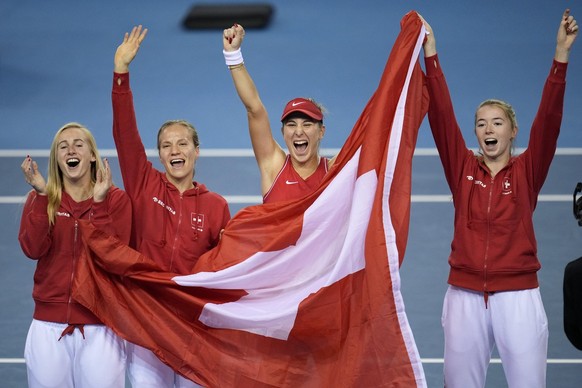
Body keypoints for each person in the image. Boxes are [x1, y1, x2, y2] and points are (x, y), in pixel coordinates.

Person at [420, 9, 578, 387]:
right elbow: (441, 116)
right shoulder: (462, 169)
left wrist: (561, 57)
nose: (487, 128)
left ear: (512, 132)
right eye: (480, 122)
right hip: (464, 296)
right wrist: (431, 54)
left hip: (518, 297)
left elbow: (550, 121)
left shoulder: (527, 170)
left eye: (497, 122)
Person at [113, 26, 231, 387]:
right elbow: (125, 134)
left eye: (182, 144)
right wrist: (121, 73)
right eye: (167, 145)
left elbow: (225, 270)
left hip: (192, 328)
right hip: (148, 321)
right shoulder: (143, 182)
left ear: (197, 151)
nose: (175, 151)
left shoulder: (216, 206)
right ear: (159, 154)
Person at [18, 122, 132, 388]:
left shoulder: (116, 201)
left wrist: (100, 205)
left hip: (101, 326)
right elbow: (32, 249)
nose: (71, 150)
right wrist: (43, 196)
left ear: (92, 155)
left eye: (79, 144)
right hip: (47, 327)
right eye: (63, 146)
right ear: (57, 158)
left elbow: (113, 260)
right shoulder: (42, 199)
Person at [223, 24, 337, 203]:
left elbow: (374, 133)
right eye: (291, 125)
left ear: (321, 131)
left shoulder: (336, 171)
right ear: (283, 133)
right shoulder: (274, 167)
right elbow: (254, 109)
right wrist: (233, 55)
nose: (298, 131)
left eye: (307, 124)